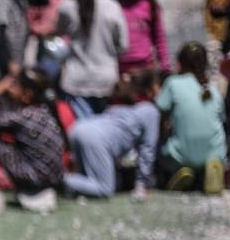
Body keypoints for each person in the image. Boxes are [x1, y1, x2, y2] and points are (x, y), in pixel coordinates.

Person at [0, 68, 66, 213]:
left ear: (27, 94)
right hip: (52, 178)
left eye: (16, 85)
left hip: (36, 179)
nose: (10, 88)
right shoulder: (44, 111)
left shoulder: (25, 116)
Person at [64, 70, 161, 200]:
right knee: (104, 189)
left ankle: (62, 182)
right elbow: (147, 150)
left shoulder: (120, 100)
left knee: (86, 179)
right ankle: (54, 179)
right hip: (95, 138)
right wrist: (142, 185)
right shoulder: (150, 111)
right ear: (150, 89)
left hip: (80, 127)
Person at [56, 0, 127, 118]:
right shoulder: (113, 7)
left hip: (76, 80)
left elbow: (60, 34)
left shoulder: (67, 6)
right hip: (106, 81)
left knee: (82, 132)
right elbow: (123, 46)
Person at [155, 42, 227, 194]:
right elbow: (222, 121)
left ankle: (179, 171)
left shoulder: (172, 83)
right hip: (214, 152)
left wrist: (163, 136)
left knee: (162, 147)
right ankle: (208, 170)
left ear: (180, 64)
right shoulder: (213, 90)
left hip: (181, 154)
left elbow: (160, 116)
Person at [114, 0, 169, 74]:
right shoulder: (115, 7)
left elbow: (160, 39)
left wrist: (165, 67)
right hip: (120, 69)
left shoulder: (151, 7)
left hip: (144, 69)